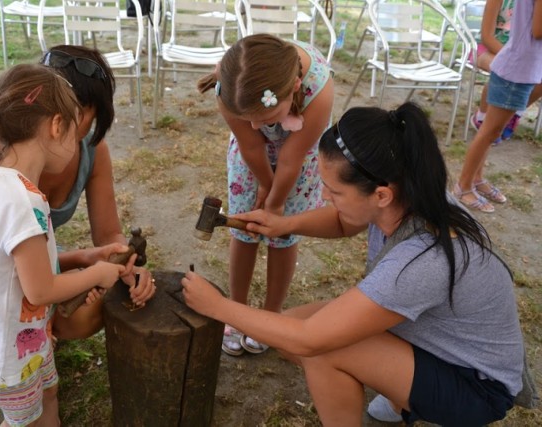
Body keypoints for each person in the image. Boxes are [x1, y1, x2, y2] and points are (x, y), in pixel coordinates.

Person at [181, 102, 524, 426]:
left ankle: (406, 395)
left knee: (322, 349)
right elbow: (345, 222)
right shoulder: (413, 195)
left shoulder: (420, 261)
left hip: (476, 384)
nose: (325, 196)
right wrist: (285, 223)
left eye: (335, 191)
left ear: (381, 194)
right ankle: (399, 394)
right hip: (434, 337)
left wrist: (218, 307)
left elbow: (309, 339)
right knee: (284, 331)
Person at [0, 45, 154, 338]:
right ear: (52, 120)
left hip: (21, 259)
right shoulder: (2, 157)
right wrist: (85, 274)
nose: (72, 126)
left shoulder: (90, 150)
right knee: (65, 304)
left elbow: (108, 233)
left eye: (81, 114)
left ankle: (33, 341)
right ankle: (19, 342)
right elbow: (22, 278)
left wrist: (124, 263)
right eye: (67, 112)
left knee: (98, 295)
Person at [0, 63, 131, 427]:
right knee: (25, 421)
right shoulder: (21, 199)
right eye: (74, 130)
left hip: (26, 337)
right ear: (55, 126)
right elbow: (40, 289)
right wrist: (96, 273)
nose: (78, 144)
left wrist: (84, 257)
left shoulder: (0, 180)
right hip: (7, 353)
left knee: (48, 396)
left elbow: (16, 269)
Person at [196, 34, 334, 356]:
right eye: (249, 119)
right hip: (251, 162)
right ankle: (236, 310)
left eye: (266, 118)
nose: (257, 125)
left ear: (295, 87)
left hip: (299, 161)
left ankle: (271, 315)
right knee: (243, 231)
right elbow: (251, 145)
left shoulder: (319, 90)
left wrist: (274, 204)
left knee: (283, 236)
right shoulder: (229, 90)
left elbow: (291, 159)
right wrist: (262, 181)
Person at [455, 0, 542, 213]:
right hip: (517, 67)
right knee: (489, 132)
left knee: (493, 131)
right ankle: (462, 186)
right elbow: (538, 29)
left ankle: (476, 179)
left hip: (524, 66)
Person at [470, 0, 523, 143]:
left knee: (533, 72)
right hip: (488, 50)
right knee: (503, 67)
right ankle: (482, 117)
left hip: (520, 55)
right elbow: (487, 37)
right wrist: (510, 57)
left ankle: (514, 113)